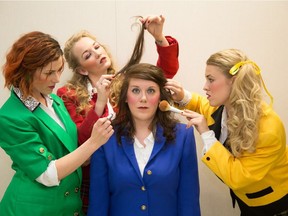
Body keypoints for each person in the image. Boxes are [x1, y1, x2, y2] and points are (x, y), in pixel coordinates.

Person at [56, 15, 179, 214]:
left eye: (96, 47)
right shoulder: (68, 95)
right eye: (87, 55)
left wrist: (159, 37)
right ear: (81, 70)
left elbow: (164, 74)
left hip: (131, 174)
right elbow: (80, 142)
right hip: (94, 180)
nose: (97, 53)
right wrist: (101, 101)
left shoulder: (127, 81)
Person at [0, 31, 114, 216]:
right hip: (33, 209)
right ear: (26, 72)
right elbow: (47, 174)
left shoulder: (55, 100)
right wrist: (94, 143)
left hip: (68, 206)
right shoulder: (9, 117)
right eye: (49, 73)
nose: (56, 78)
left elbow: (72, 148)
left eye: (59, 70)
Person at [165, 48, 288, 216]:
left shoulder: (268, 128)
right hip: (246, 202)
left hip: (275, 206)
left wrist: (206, 134)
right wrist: (182, 96)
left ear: (234, 81)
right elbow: (202, 104)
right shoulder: (224, 106)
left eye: (211, 80)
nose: (205, 86)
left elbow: (238, 177)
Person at [87, 63, 201, 216]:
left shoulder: (183, 135)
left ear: (160, 96)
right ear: (125, 97)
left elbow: (189, 201)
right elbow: (98, 203)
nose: (143, 98)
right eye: (135, 91)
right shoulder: (105, 136)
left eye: (151, 91)